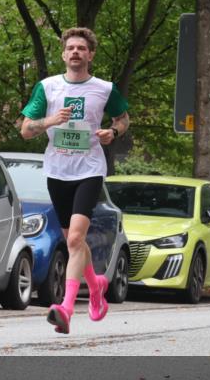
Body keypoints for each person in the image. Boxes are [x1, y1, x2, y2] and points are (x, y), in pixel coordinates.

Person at [19, 27, 130, 334]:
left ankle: (66, 308)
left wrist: (113, 132)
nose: (76, 52)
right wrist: (51, 121)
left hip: (90, 170)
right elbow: (26, 130)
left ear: (90, 55)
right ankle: (96, 287)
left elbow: (123, 119)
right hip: (57, 171)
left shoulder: (104, 89)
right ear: (63, 54)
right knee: (75, 242)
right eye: (71, 48)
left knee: (74, 240)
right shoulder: (48, 87)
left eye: (82, 48)